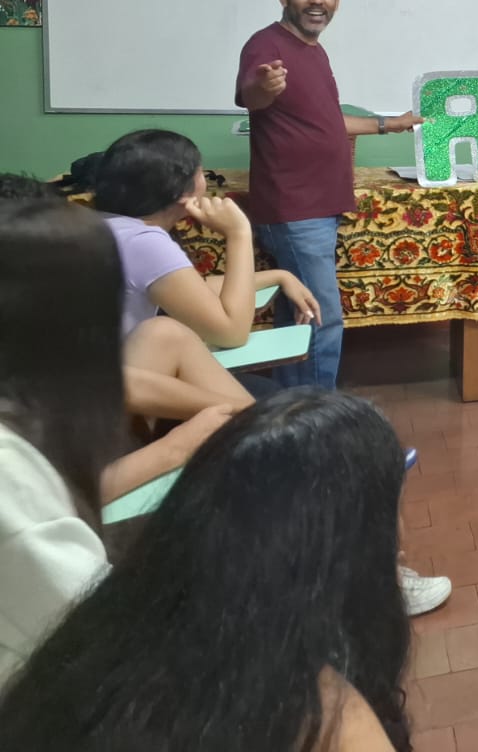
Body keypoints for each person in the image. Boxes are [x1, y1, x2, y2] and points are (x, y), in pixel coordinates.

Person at [0, 390, 414, 750]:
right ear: (345, 554)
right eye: (390, 509)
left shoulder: (115, 633)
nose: (401, 533)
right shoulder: (325, 718)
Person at [0, 178, 235, 684]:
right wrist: (177, 446)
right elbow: (101, 636)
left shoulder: (42, 383)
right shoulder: (11, 468)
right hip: (62, 685)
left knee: (166, 337)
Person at [235, 0, 422, 389]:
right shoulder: (267, 45)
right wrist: (264, 87)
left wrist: (390, 124)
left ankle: (291, 408)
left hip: (318, 205)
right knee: (323, 317)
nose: (315, 0)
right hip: (296, 208)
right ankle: (318, 416)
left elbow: (326, 120)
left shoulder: (314, 52)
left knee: (298, 314)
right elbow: (252, 95)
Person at [93, 128, 321, 418]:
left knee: (266, 393)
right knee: (275, 403)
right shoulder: (145, 242)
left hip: (108, 380)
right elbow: (231, 333)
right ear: (180, 192)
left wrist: (280, 276)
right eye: (202, 172)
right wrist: (238, 233)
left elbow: (190, 290)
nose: (206, 180)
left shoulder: (109, 226)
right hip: (117, 400)